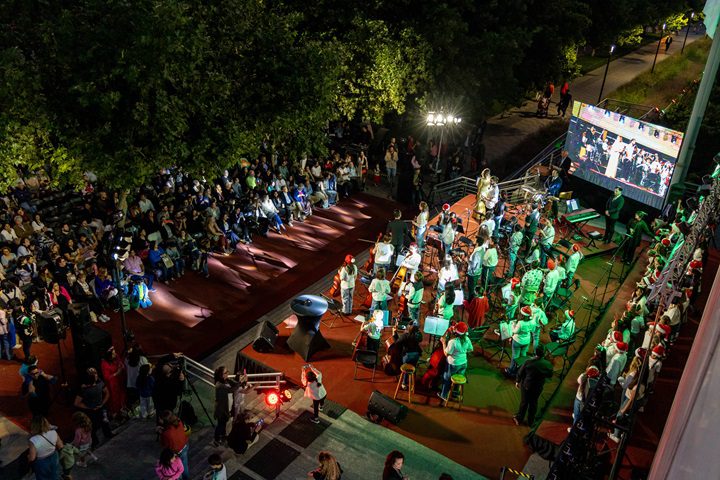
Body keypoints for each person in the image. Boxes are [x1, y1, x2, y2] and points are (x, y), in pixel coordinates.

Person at [513, 343, 553, 426]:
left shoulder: (528, 362)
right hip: (538, 387)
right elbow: (549, 375)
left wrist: (517, 381)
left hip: (527, 386)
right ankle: (530, 421)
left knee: (524, 403)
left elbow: (520, 372)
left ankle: (519, 419)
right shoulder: (548, 364)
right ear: (544, 353)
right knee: (534, 403)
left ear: (535, 352)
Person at [74, 367, 114, 448]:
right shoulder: (84, 389)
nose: (95, 375)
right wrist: (89, 408)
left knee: (105, 421)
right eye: (93, 374)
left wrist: (102, 404)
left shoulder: (99, 381)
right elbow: (76, 403)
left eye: (95, 373)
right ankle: (95, 442)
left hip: (101, 408)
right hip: (91, 411)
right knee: (92, 426)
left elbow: (107, 393)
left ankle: (108, 434)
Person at [439, 322, 472, 402]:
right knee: (459, 378)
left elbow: (446, 353)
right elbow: (470, 349)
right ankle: (455, 393)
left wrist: (443, 343)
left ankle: (443, 395)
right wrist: (462, 352)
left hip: (453, 364)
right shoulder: (467, 339)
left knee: (447, 378)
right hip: (463, 363)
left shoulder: (453, 342)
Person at [213, 365, 242, 446]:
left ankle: (223, 435)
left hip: (227, 407)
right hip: (222, 410)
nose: (228, 373)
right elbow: (231, 389)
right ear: (222, 375)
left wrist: (237, 377)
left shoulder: (227, 380)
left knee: (224, 424)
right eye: (226, 372)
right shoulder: (219, 385)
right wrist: (240, 382)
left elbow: (234, 384)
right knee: (220, 425)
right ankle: (217, 439)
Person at [27, 416, 63, 480]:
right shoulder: (53, 432)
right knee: (54, 475)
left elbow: (32, 458)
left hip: (42, 462)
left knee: (42, 477)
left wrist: (28, 457)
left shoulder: (33, 440)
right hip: (54, 457)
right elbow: (60, 445)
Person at [158, 411, 189, 480]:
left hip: (176, 452)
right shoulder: (179, 422)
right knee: (184, 466)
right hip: (185, 446)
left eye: (160, 419)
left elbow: (164, 445)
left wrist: (161, 433)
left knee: (176, 469)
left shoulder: (167, 433)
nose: (159, 420)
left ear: (165, 421)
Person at [506, 306, 535, 378]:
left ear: (522, 315)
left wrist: (513, 325)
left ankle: (511, 371)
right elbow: (533, 330)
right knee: (523, 356)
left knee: (515, 356)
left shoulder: (521, 323)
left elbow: (515, 331)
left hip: (518, 341)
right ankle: (520, 371)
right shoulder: (532, 321)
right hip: (526, 341)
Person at [100, 345, 127, 417]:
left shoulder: (115, 356)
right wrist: (117, 373)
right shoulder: (104, 364)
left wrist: (122, 366)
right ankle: (116, 413)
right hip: (112, 385)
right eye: (113, 353)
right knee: (114, 399)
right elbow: (107, 377)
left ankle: (122, 409)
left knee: (122, 395)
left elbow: (120, 363)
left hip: (120, 380)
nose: (115, 354)